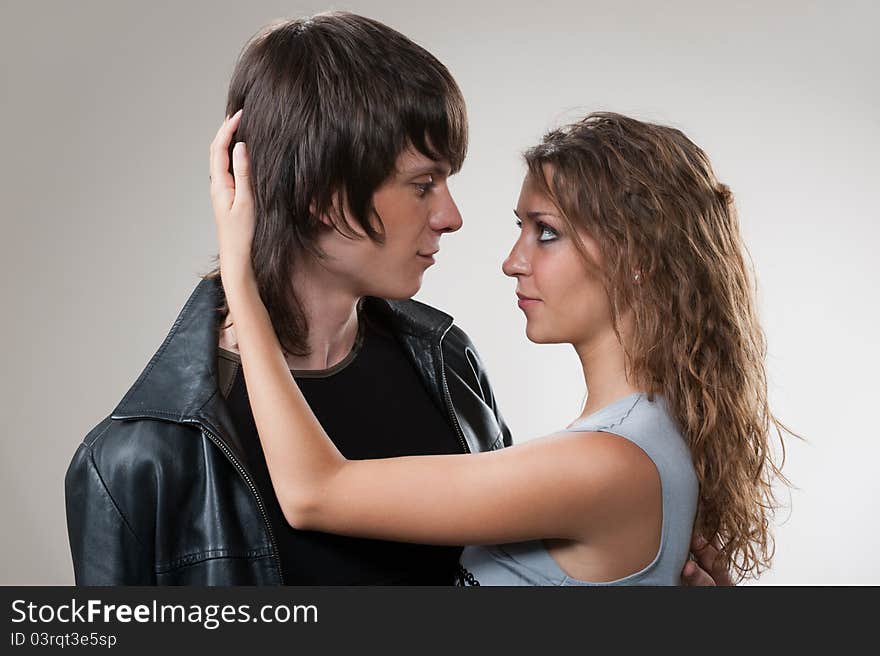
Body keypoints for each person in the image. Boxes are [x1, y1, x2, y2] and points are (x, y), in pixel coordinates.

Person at [65, 11, 725, 585]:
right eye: (423, 183)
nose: (452, 216)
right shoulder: (138, 460)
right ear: (322, 194)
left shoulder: (446, 363)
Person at [211, 108, 789, 584]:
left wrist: (241, 278)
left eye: (546, 232)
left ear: (636, 257)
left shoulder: (606, 463)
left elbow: (314, 492)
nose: (513, 261)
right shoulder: (645, 439)